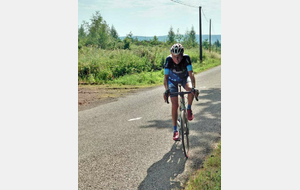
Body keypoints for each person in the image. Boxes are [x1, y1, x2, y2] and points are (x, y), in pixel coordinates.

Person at [163, 43, 199, 141]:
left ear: (182, 55)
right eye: (174, 57)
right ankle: (175, 130)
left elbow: (191, 74)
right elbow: (166, 78)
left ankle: (188, 108)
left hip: (184, 78)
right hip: (172, 81)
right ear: (171, 54)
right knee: (175, 104)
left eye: (178, 57)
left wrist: (194, 87)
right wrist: (166, 90)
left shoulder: (186, 58)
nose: (177, 59)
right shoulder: (168, 60)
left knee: (191, 90)